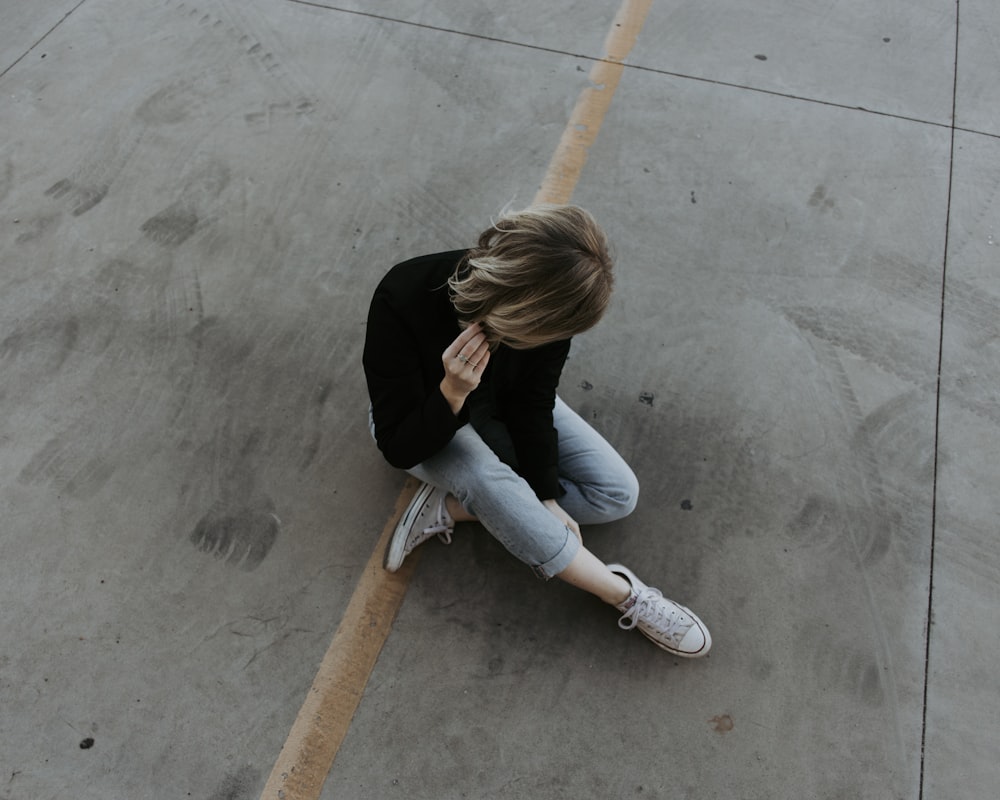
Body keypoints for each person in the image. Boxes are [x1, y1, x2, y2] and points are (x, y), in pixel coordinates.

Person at [362, 205, 711, 657]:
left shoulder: (556, 311)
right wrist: (452, 390)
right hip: (424, 419)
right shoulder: (404, 293)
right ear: (524, 305)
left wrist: (545, 496)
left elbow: (532, 402)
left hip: (501, 406)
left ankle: (450, 508)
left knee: (616, 494)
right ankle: (622, 593)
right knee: (485, 479)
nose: (552, 340)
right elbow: (396, 443)